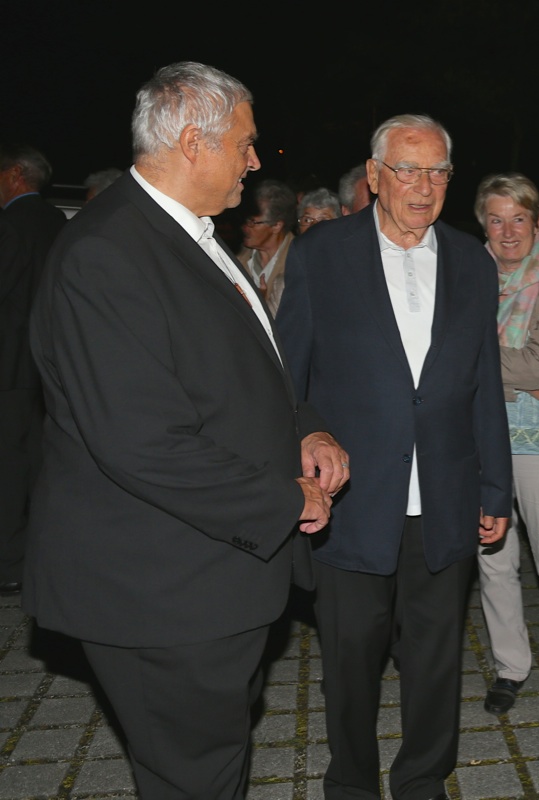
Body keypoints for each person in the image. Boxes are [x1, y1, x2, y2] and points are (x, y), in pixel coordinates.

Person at [24, 61, 347, 799]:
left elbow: (241, 372)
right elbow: (140, 441)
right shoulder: (108, 253)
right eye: (245, 143)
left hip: (209, 580)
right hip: (159, 591)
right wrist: (283, 499)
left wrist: (305, 428)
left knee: (213, 763)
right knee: (194, 777)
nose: (255, 161)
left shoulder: (188, 234)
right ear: (195, 143)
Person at [275, 113, 512, 800]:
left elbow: (484, 383)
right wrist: (306, 442)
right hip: (352, 499)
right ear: (375, 176)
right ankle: (351, 783)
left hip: (445, 495)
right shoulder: (322, 254)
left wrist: (494, 488)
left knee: (436, 661)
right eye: (407, 169)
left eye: (438, 171)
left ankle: (422, 781)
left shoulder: (471, 260)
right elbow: (288, 377)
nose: (423, 185)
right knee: (350, 660)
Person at [473, 173, 539, 720]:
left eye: (518, 218)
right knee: (492, 559)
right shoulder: (466, 278)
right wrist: (521, 377)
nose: (508, 230)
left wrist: (478, 360)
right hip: (478, 438)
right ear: (483, 226)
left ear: (538, 222)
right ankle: (510, 667)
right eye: (496, 219)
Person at [0, 144, 67, 597]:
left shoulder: (11, 225)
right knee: (40, 469)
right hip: (48, 370)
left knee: (8, 469)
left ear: (15, 175)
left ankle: (9, 564)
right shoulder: (58, 222)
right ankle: (42, 559)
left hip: (9, 370)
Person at [237, 178, 295, 316]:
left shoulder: (298, 264)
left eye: (253, 222)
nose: (245, 227)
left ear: (276, 226)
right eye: (245, 219)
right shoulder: (235, 260)